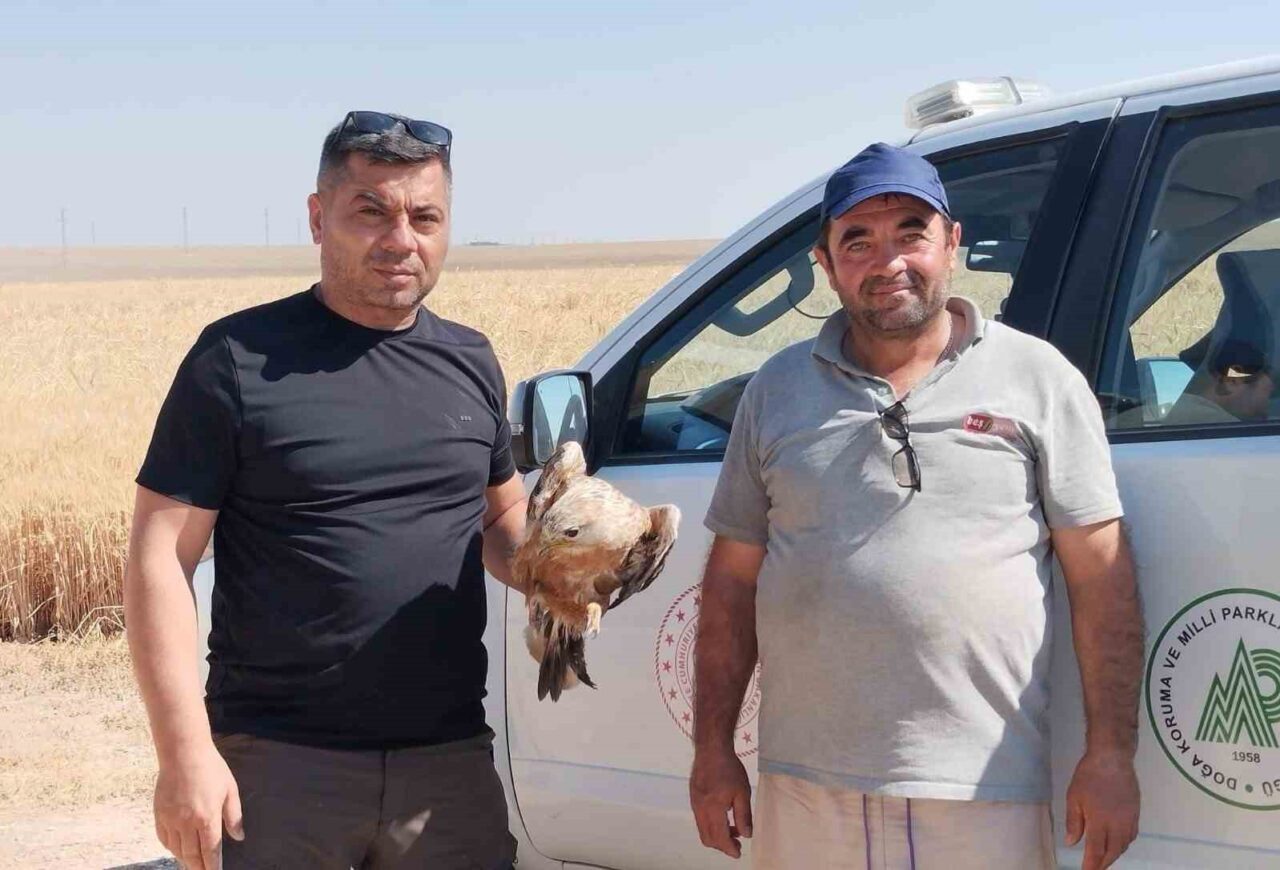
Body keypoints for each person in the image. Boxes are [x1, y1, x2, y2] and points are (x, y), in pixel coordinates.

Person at [688, 143, 1144, 870]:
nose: (888, 259)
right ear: (826, 263)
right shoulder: (775, 392)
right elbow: (732, 582)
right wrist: (713, 753)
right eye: (858, 241)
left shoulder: (1038, 378)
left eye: (911, 232)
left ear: (952, 244)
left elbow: (1102, 578)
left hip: (982, 790)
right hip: (806, 788)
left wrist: (1112, 754)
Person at [124, 111, 526, 870]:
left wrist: (577, 560)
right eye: (370, 211)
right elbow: (160, 557)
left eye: (424, 216)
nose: (401, 238)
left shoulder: (471, 361)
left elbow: (501, 518)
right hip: (278, 772)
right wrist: (184, 755)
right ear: (318, 218)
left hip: (447, 769)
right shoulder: (236, 359)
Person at [1163, 338, 1275, 424]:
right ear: (1232, 381)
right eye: (1268, 394)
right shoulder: (1217, 424)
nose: (1266, 409)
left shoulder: (1186, 412)